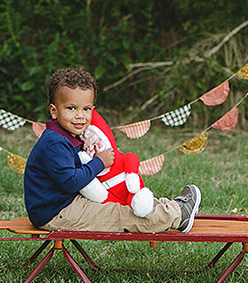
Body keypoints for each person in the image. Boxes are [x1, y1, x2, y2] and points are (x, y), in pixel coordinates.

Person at [24, 66, 201, 232]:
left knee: (123, 200)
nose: (80, 116)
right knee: (119, 215)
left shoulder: (69, 136)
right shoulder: (54, 143)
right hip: (56, 212)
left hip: (64, 203)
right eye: (71, 108)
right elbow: (71, 182)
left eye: (86, 109)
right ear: (54, 111)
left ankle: (166, 205)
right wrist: (99, 162)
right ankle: (176, 216)